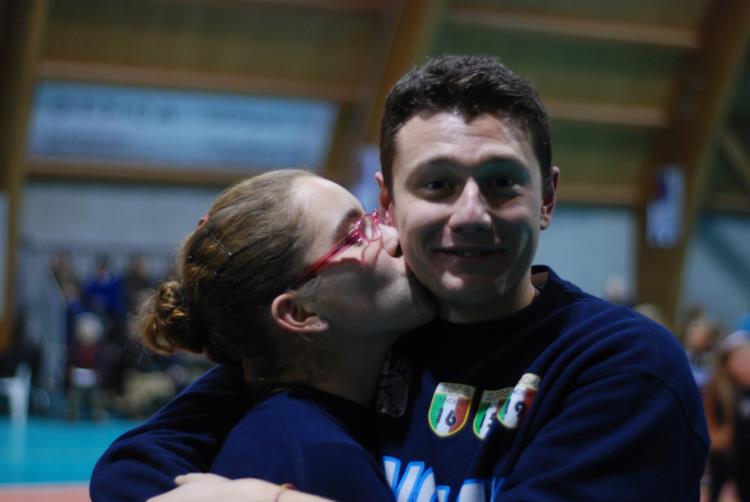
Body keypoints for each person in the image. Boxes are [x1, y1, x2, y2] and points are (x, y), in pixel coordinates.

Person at [92, 55, 709, 501]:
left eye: (502, 182)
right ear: (388, 203)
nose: (471, 215)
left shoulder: (619, 364)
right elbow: (135, 464)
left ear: (546, 198)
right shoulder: (365, 336)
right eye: (438, 184)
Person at [97, 169, 434, 501]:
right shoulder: (318, 458)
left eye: (372, 218)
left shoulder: (292, 418)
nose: (394, 236)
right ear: (300, 313)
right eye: (356, 235)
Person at [704, 330, 750, 502]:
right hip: (724, 460)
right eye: (740, 358)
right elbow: (712, 434)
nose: (746, 364)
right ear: (726, 364)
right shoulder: (718, 392)